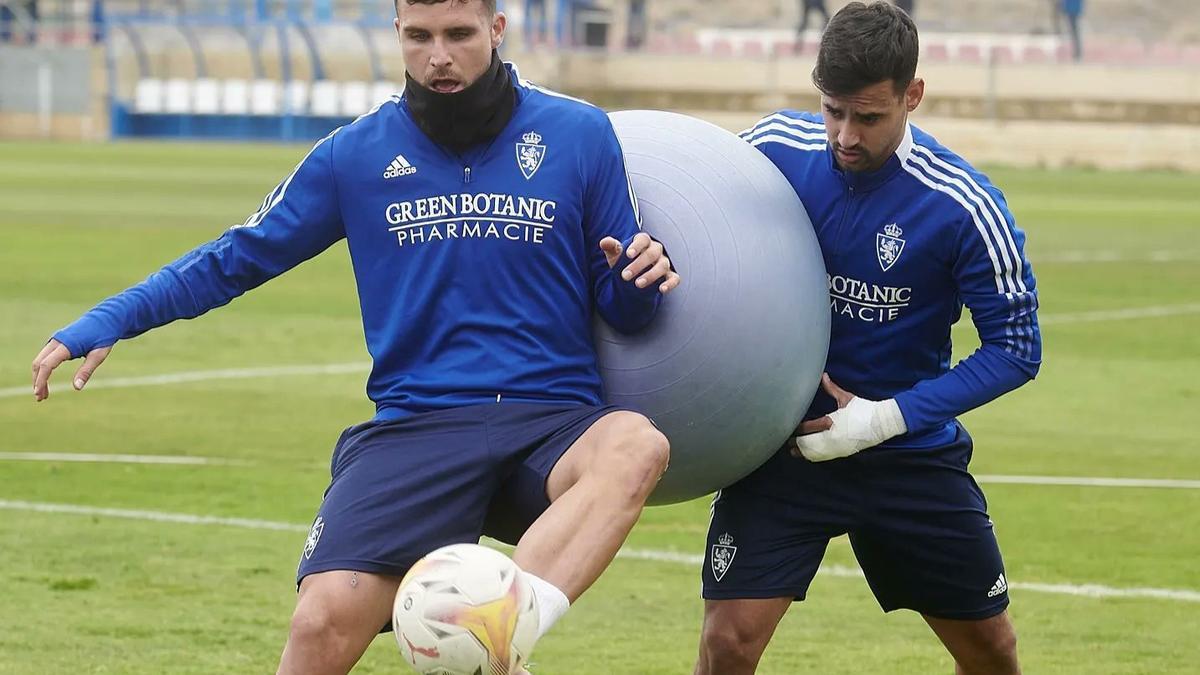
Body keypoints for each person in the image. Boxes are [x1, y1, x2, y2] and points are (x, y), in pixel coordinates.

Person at [30, 0, 681, 673]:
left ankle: (499, 635)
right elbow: (236, 257)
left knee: (636, 444)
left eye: (459, 35)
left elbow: (626, 309)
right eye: (419, 36)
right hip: (417, 426)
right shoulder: (354, 155)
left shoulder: (580, 133)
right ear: (396, 33)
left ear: (495, 29)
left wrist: (637, 280)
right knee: (318, 626)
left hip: (551, 421)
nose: (439, 56)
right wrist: (112, 317)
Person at [695, 3, 1040, 674]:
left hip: (906, 453)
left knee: (992, 650)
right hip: (783, 447)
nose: (845, 136)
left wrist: (883, 419)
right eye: (832, 110)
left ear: (912, 95)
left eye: (869, 117)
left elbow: (1018, 348)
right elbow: (691, 226)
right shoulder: (768, 150)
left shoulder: (962, 204)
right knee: (727, 642)